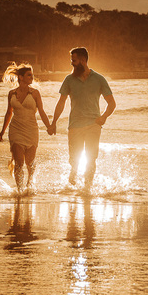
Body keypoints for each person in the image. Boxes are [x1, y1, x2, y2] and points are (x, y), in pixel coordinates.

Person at [50, 47, 115, 191]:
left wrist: (103, 117)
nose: (72, 63)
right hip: (75, 125)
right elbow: (61, 102)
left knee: (91, 158)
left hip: (93, 125)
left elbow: (112, 103)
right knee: (74, 159)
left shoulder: (99, 79)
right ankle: (73, 180)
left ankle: (87, 188)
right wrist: (53, 122)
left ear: (83, 60)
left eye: (74, 60)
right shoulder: (69, 80)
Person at [0, 63, 52, 192]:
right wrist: (2, 131)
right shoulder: (11, 94)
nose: (31, 77)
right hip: (16, 130)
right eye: (29, 75)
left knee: (30, 162)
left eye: (32, 75)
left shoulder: (35, 93)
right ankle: (20, 190)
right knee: (19, 162)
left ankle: (30, 184)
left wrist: (49, 126)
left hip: (31, 130)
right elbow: (9, 113)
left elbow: (42, 112)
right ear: (20, 77)